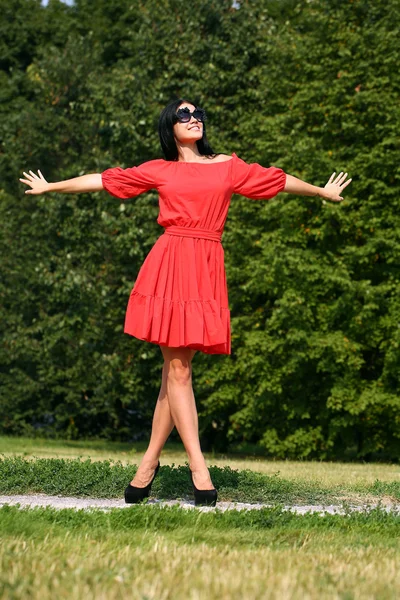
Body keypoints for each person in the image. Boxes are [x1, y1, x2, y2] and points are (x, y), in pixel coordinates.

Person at [20, 98, 351, 506]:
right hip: (170, 262)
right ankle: (200, 470)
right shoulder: (161, 170)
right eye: (184, 115)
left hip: (206, 264)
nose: (194, 119)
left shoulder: (228, 165)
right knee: (178, 370)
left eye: (198, 115)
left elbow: (276, 180)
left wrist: (320, 191)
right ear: (169, 126)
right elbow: (107, 180)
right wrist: (51, 186)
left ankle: (147, 466)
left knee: (176, 370)